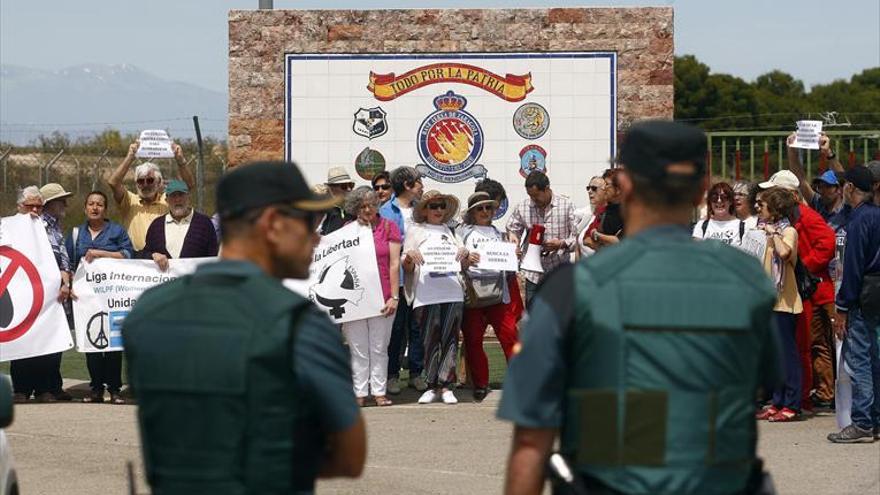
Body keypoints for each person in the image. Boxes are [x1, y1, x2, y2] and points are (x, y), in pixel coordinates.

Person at [499, 121, 780, 495]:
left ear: (624, 183)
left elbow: (531, 442)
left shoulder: (572, 289)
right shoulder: (747, 281)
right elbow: (767, 380)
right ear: (700, 189)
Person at [123, 161, 366, 493]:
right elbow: (350, 457)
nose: (316, 239)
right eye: (308, 222)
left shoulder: (147, 313)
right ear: (273, 224)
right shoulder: (299, 324)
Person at [759, 169, 835, 412]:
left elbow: (827, 243)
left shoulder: (806, 216)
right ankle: (791, 396)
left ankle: (801, 397)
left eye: (774, 192)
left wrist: (803, 267)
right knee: (795, 345)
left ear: (789, 195)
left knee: (803, 345)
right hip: (792, 289)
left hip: (808, 290)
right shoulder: (787, 219)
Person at [64, 191, 134, 404]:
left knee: (113, 344)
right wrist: (68, 284)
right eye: (91, 204)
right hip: (87, 299)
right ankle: (95, 389)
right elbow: (67, 263)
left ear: (106, 209)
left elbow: (129, 254)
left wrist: (101, 253)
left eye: (100, 204)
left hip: (113, 296)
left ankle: (114, 389)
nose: (95, 208)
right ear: (85, 208)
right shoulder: (77, 234)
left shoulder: (116, 231)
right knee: (91, 344)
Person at [403, 190, 470, 404]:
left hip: (452, 291)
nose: (438, 210)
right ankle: (431, 384)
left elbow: (463, 263)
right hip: (426, 293)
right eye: (433, 206)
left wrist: (466, 255)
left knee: (450, 338)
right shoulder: (415, 231)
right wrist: (410, 257)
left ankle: (447, 385)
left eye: (441, 206)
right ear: (425, 210)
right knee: (429, 339)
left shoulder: (452, 233)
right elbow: (406, 263)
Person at [828, 165, 880, 443]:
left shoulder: (861, 219)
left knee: (859, 359)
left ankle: (861, 422)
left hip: (861, 295)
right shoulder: (875, 214)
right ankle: (874, 419)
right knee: (872, 357)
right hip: (875, 292)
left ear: (849, 188)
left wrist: (843, 307)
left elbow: (854, 266)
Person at [456, 192, 521, 402]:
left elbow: (509, 267)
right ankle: (481, 384)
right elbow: (455, 261)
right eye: (480, 208)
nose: (485, 212)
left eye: (488, 208)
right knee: (474, 340)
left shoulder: (500, 234)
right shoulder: (461, 233)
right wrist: (465, 260)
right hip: (473, 293)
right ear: (472, 212)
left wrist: (514, 257)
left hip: (498, 292)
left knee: (510, 336)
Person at [340, 186, 401, 407]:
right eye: (362, 206)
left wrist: (394, 296)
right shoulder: (347, 229)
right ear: (355, 208)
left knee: (379, 347)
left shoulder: (389, 227)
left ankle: (379, 392)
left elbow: (395, 264)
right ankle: (359, 393)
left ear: (377, 205)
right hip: (354, 299)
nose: (367, 209)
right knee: (357, 348)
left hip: (383, 296)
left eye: (371, 205)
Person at [753, 187, 804, 422]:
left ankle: (792, 402)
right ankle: (778, 399)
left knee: (787, 354)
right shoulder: (760, 230)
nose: (758, 208)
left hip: (784, 301)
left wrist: (774, 235)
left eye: (762, 206)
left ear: (774, 210)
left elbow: (785, 254)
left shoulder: (788, 231)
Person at [379, 166, 426, 394]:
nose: (421, 186)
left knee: (417, 327)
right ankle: (392, 374)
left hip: (420, 278)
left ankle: (417, 373)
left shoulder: (422, 210)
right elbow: (385, 250)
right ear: (407, 185)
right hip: (396, 279)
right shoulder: (386, 212)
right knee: (396, 329)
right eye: (418, 182)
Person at [107, 140, 195, 254]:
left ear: (158, 182)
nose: (145, 185)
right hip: (136, 260)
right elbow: (113, 183)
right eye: (140, 181)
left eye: (149, 180)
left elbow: (188, 186)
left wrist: (180, 161)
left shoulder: (167, 200)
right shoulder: (129, 201)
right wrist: (130, 157)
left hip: (164, 259)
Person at [506, 171, 578, 303]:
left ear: (547, 189)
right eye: (530, 196)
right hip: (533, 274)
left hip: (559, 270)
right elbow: (512, 228)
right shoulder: (523, 207)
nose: (533, 200)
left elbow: (577, 238)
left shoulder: (566, 206)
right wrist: (513, 238)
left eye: (536, 196)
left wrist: (562, 243)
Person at [9, 186, 51, 403]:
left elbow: (59, 254)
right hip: (18, 289)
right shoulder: (7, 227)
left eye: (39, 206)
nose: (34, 209)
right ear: (19, 206)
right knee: (21, 340)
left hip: (45, 291)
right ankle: (21, 389)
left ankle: (44, 388)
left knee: (44, 340)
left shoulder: (48, 227)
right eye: (29, 206)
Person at [37, 183, 75, 402]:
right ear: (50, 204)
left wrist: (66, 278)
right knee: (43, 339)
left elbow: (62, 257)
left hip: (58, 291)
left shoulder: (56, 227)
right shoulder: (39, 226)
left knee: (57, 338)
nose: (65, 204)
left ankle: (53, 384)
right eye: (61, 201)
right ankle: (43, 387)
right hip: (44, 291)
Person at [141, 180, 219, 270]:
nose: (177, 200)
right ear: (166, 200)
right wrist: (153, 255)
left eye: (181, 195)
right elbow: (145, 253)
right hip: (164, 282)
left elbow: (213, 256)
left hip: (195, 282)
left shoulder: (205, 224)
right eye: (173, 196)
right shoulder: (156, 226)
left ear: (188, 197)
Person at [577, 176, 607, 259]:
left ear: (606, 192)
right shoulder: (587, 213)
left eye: (594, 188)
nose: (589, 191)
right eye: (588, 188)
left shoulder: (610, 217)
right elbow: (578, 246)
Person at [320, 167, 356, 235]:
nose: (349, 189)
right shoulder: (323, 212)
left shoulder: (354, 210)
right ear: (331, 188)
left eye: (351, 185)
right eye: (344, 186)